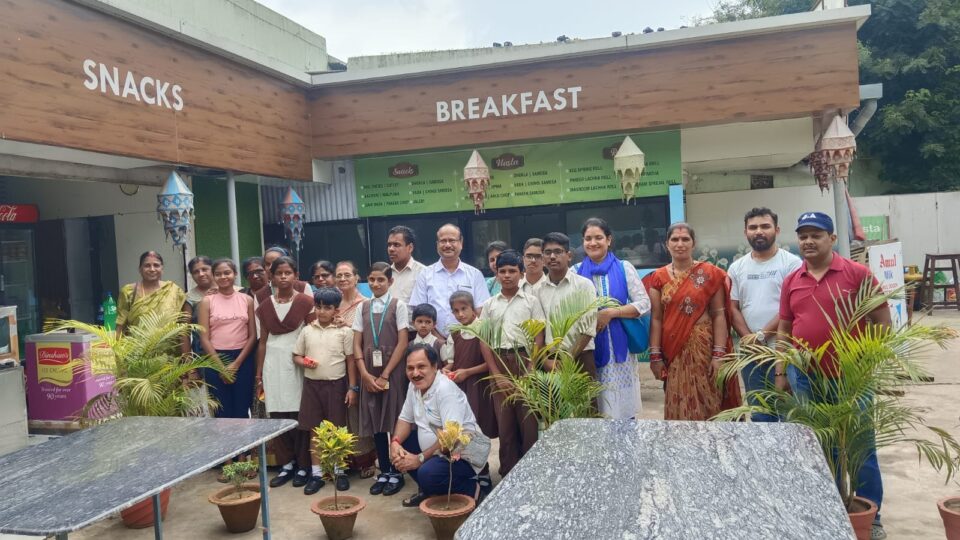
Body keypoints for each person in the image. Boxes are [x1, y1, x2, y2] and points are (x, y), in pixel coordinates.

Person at [777, 211, 890, 539]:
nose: (808, 241)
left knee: (859, 446)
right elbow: (785, 327)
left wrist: (868, 361)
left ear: (832, 238)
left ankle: (871, 518)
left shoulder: (857, 274)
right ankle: (828, 510)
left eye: (816, 235)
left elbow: (882, 320)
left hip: (850, 378)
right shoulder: (792, 280)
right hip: (805, 377)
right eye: (803, 236)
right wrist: (781, 370)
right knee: (818, 445)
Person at [646, 222, 740, 421]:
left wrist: (719, 355)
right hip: (673, 352)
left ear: (693, 243)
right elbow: (656, 318)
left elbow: (719, 315)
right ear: (667, 244)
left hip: (704, 349)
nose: (680, 244)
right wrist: (655, 356)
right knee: (678, 401)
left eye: (685, 239)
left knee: (708, 400)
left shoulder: (710, 274)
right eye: (675, 239)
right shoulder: (658, 277)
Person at [390, 344, 489, 508]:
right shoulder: (413, 386)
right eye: (410, 368)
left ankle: (474, 491)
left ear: (435, 367)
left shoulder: (445, 390)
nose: (415, 373)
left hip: (462, 452)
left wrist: (419, 459)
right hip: (436, 451)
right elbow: (404, 419)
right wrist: (394, 442)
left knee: (428, 474)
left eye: (421, 367)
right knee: (402, 445)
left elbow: (450, 437)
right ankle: (429, 490)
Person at [727, 208, 801, 422]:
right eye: (753, 227)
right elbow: (732, 307)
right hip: (751, 354)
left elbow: (791, 307)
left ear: (777, 230)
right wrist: (749, 339)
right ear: (745, 233)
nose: (759, 231)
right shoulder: (737, 267)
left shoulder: (792, 264)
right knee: (760, 414)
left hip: (785, 352)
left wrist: (762, 336)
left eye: (765, 226)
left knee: (789, 414)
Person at [574, 218, 651, 419]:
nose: (593, 243)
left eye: (598, 238)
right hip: (588, 348)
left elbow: (644, 304)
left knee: (622, 409)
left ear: (609, 240)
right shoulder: (575, 272)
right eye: (588, 238)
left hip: (620, 353)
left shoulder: (624, 267)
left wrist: (611, 313)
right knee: (594, 405)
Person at [479, 249, 544, 477]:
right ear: (496, 274)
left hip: (524, 361)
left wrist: (531, 368)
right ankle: (508, 472)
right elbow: (484, 341)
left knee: (528, 421)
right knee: (505, 423)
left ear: (522, 273)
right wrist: (496, 374)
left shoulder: (531, 302)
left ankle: (530, 472)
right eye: (503, 271)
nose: (507, 276)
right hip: (500, 362)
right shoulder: (489, 305)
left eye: (512, 271)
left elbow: (538, 337)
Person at [256, 256, 315, 489]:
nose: (283, 277)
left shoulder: (305, 302)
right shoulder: (265, 305)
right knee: (278, 415)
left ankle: (303, 465)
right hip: (273, 365)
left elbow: (312, 334)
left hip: (296, 363)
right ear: (271, 276)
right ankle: (286, 464)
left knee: (298, 414)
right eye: (278, 273)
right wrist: (259, 374)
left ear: (295, 275)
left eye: (287, 272)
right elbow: (262, 341)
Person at [352, 262, 410, 497]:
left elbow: (403, 342)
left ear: (390, 281)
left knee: (394, 420)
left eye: (381, 280)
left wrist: (386, 374)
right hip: (368, 370)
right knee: (375, 421)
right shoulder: (363, 307)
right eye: (372, 279)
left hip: (392, 370)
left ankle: (397, 472)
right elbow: (357, 343)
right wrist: (364, 374)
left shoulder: (398, 305)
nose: (375, 284)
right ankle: (384, 470)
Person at [293, 287, 357, 495]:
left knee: (338, 429)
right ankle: (317, 474)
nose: (321, 312)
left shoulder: (344, 332)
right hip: (312, 386)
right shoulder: (307, 330)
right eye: (318, 307)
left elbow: (350, 361)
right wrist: (304, 362)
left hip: (336, 386)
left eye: (327, 308)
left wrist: (352, 388)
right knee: (314, 430)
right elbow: (296, 355)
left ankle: (339, 471)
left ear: (336, 310)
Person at [197, 259, 257, 420]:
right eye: (218, 274)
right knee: (221, 410)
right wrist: (222, 367)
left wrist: (236, 364)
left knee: (242, 408)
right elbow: (204, 338)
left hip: (242, 358)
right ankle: (223, 439)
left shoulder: (247, 300)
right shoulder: (207, 301)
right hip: (215, 358)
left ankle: (243, 438)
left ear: (235, 274)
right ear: (213, 276)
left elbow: (252, 335)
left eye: (227, 273)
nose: (223, 277)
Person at [333, 260, 376, 479]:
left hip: (359, 366)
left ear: (357, 277)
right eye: (339, 275)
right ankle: (342, 462)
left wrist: (348, 326)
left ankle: (365, 460)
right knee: (339, 414)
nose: (343, 279)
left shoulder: (365, 304)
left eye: (347, 275)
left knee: (358, 414)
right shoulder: (332, 304)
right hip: (335, 367)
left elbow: (371, 336)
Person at [537, 232, 599, 380]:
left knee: (584, 396)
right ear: (543, 258)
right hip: (550, 360)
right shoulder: (538, 290)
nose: (552, 256)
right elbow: (538, 330)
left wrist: (568, 358)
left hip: (581, 357)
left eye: (558, 252)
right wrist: (544, 360)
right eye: (548, 252)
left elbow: (588, 329)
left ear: (569, 256)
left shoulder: (583, 285)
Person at [410, 224, 490, 336]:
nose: (447, 245)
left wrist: (465, 339)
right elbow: (420, 312)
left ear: (461, 243)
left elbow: (480, 311)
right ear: (437, 244)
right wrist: (438, 340)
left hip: (468, 338)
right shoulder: (425, 275)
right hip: (433, 341)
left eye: (452, 240)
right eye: (443, 241)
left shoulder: (475, 275)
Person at [445, 291, 497, 440]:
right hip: (461, 386)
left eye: (464, 309)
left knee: (482, 426)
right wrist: (446, 370)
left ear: (473, 308)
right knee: (464, 428)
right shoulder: (455, 332)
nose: (460, 314)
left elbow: (492, 363)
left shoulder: (484, 328)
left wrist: (467, 372)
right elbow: (451, 362)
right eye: (456, 311)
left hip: (482, 385)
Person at [116, 251, 186, 335]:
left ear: (162, 268)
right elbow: (121, 323)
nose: (152, 269)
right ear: (140, 269)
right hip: (137, 343)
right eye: (147, 265)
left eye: (156, 265)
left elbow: (182, 323)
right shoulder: (128, 292)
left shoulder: (174, 290)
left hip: (169, 342)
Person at [387, 225, 425, 303]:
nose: (391, 249)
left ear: (410, 248)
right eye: (389, 245)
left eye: (396, 245)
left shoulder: (423, 272)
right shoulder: (385, 273)